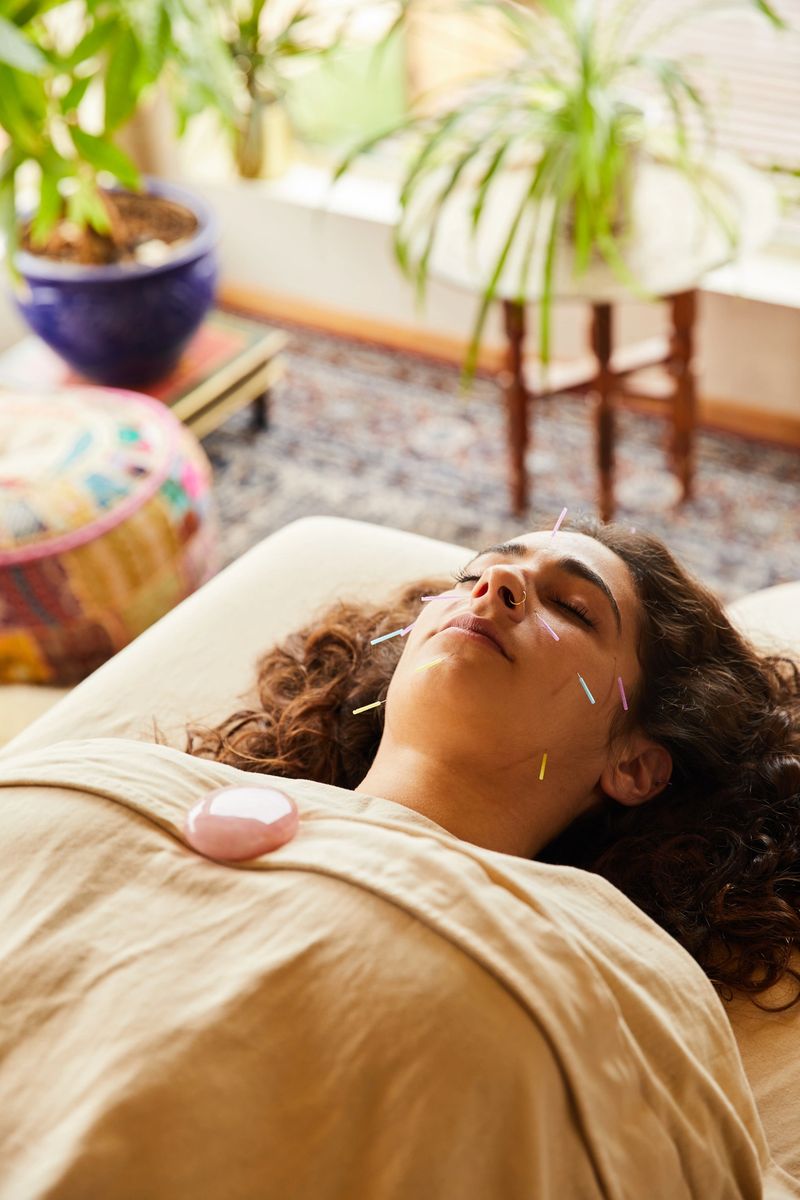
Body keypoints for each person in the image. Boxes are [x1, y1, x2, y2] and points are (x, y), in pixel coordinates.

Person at [187, 514, 800, 1015]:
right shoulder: (176, 795)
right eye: (473, 573)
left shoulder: (588, 992)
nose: (496, 580)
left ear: (635, 766)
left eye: (573, 608)